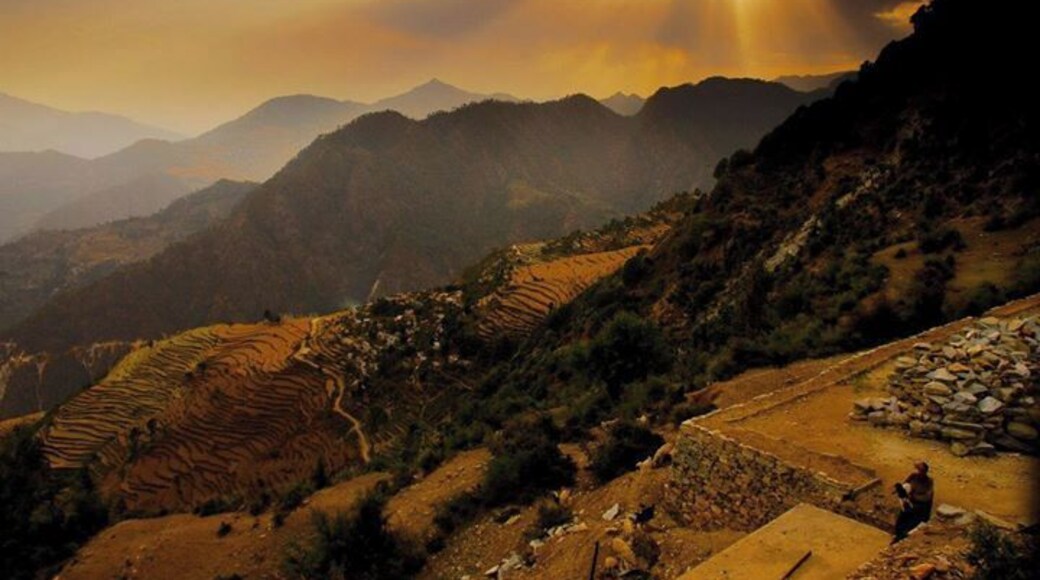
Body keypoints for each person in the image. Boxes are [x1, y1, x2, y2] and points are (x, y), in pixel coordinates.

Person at [892, 461, 934, 543]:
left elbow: (927, 497)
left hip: (921, 507)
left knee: (912, 524)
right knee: (902, 518)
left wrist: (914, 496)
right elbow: (905, 484)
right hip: (910, 502)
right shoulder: (913, 476)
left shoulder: (929, 481)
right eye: (918, 470)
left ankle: (903, 538)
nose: (919, 472)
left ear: (925, 472)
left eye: (921, 470)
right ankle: (898, 535)